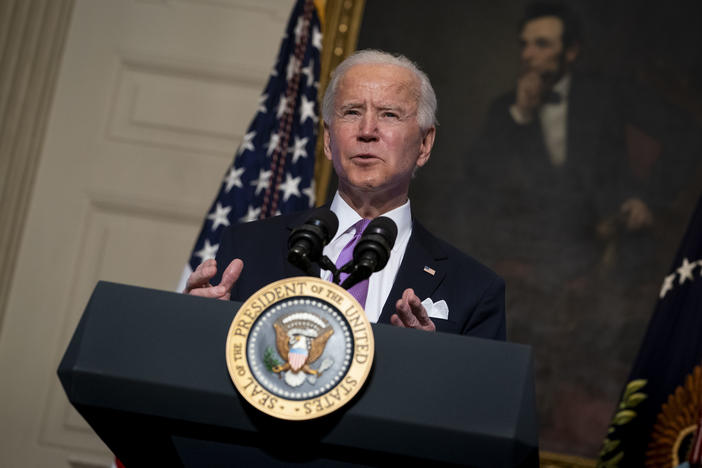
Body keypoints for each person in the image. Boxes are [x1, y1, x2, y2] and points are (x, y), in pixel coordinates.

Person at [184, 49, 506, 340]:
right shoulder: (248, 249)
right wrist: (199, 324)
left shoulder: (474, 290)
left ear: (424, 144)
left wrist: (427, 363)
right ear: (328, 140)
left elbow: (479, 401)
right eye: (351, 112)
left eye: (389, 114)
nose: (367, 131)